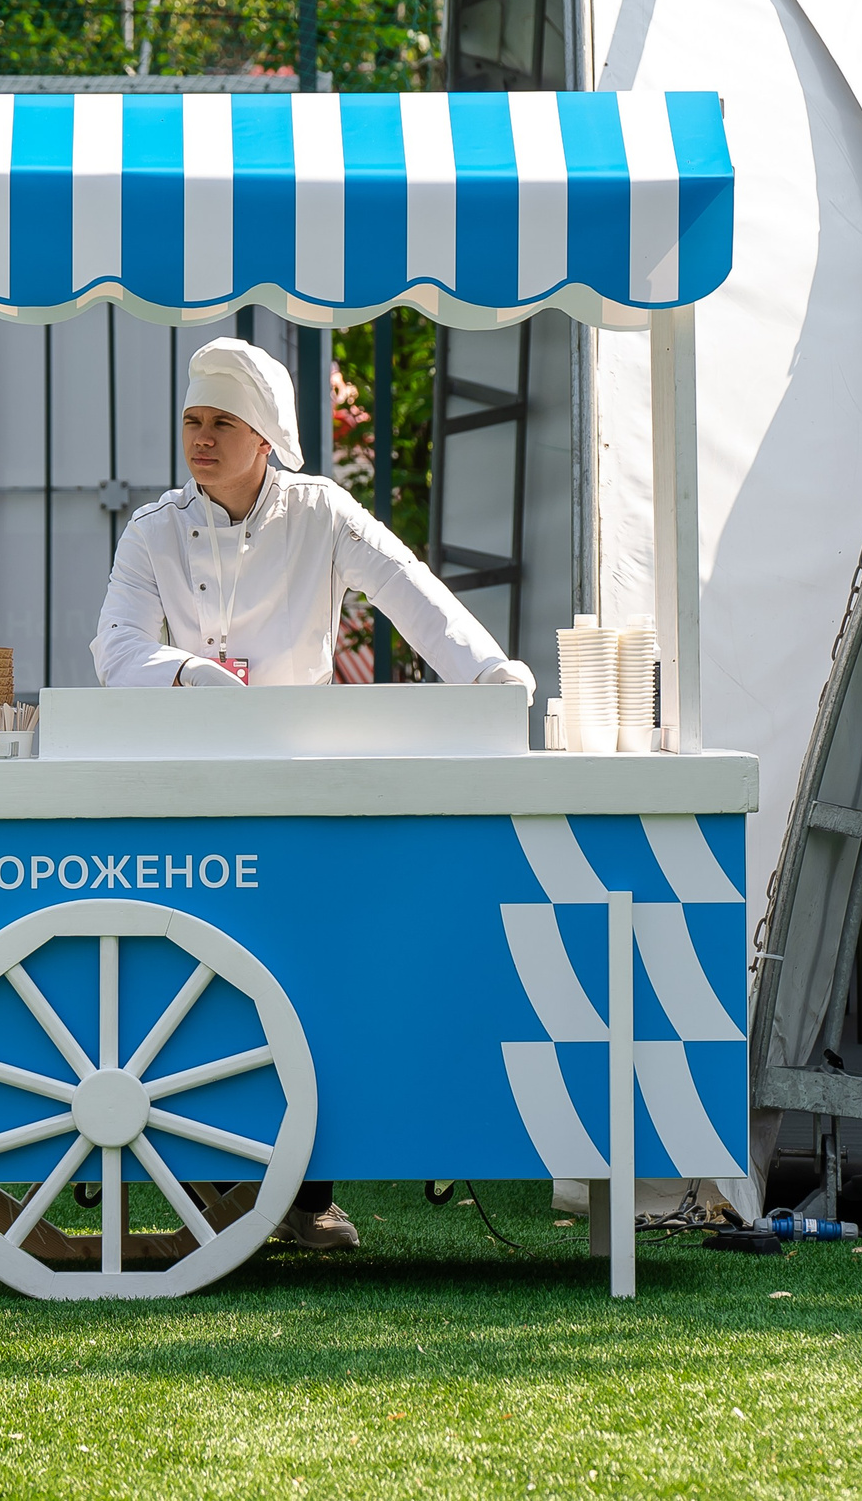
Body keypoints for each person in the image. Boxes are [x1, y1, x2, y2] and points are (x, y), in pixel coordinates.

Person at [92, 335, 534, 1250]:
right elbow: (116, 651)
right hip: (186, 790)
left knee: (308, 980)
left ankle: (301, 1193)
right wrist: (187, 675)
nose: (200, 439)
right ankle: (215, 1182)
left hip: (297, 788)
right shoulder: (152, 531)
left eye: (221, 423)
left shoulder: (322, 515)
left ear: (268, 439)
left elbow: (414, 595)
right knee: (192, 979)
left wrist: (489, 676)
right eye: (192, 420)